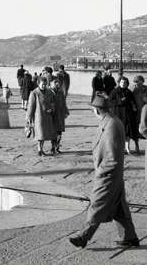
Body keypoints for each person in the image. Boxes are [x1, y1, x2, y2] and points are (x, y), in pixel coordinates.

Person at [69, 92, 139, 249]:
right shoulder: (109, 121)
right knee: (120, 207)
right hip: (113, 174)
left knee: (97, 204)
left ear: (97, 109)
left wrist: (101, 172)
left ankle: (83, 236)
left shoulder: (111, 125)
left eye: (93, 108)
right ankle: (129, 237)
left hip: (108, 175)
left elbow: (112, 158)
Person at [26, 77, 57, 156]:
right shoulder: (34, 93)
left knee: (44, 134)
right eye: (42, 84)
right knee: (40, 134)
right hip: (38, 117)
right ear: (38, 83)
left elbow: (53, 102)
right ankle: (40, 150)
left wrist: (52, 109)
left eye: (45, 84)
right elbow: (31, 106)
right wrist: (29, 118)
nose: (44, 86)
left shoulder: (49, 92)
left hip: (47, 116)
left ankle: (41, 149)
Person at [109, 77, 140, 155]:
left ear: (127, 84)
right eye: (122, 82)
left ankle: (127, 148)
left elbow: (133, 101)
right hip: (118, 114)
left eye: (125, 83)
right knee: (118, 132)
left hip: (128, 114)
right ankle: (118, 148)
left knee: (127, 131)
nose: (123, 84)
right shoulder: (114, 91)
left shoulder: (129, 92)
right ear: (119, 83)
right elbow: (110, 102)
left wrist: (134, 107)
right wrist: (120, 101)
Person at [51, 78, 69, 153]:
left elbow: (64, 102)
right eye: (56, 83)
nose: (57, 84)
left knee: (59, 132)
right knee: (53, 132)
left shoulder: (61, 92)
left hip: (60, 114)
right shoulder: (50, 91)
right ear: (53, 84)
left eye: (58, 83)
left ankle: (57, 147)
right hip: (53, 114)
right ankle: (53, 147)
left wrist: (66, 112)